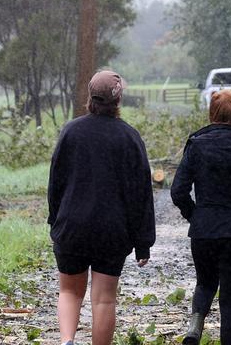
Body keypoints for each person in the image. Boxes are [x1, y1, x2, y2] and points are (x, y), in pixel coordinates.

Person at [47, 70, 156, 345]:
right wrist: (143, 242)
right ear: (118, 101)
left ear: (90, 97)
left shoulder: (71, 131)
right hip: (112, 230)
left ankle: (67, 341)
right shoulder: (130, 138)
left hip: (72, 226)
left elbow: (55, 181)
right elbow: (140, 194)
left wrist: (55, 221)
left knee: (69, 291)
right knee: (104, 300)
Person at [172, 90, 231, 345]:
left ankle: (195, 326)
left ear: (212, 114)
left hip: (204, 230)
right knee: (230, 296)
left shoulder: (196, 144)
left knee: (204, 283)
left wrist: (196, 216)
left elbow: (178, 190)